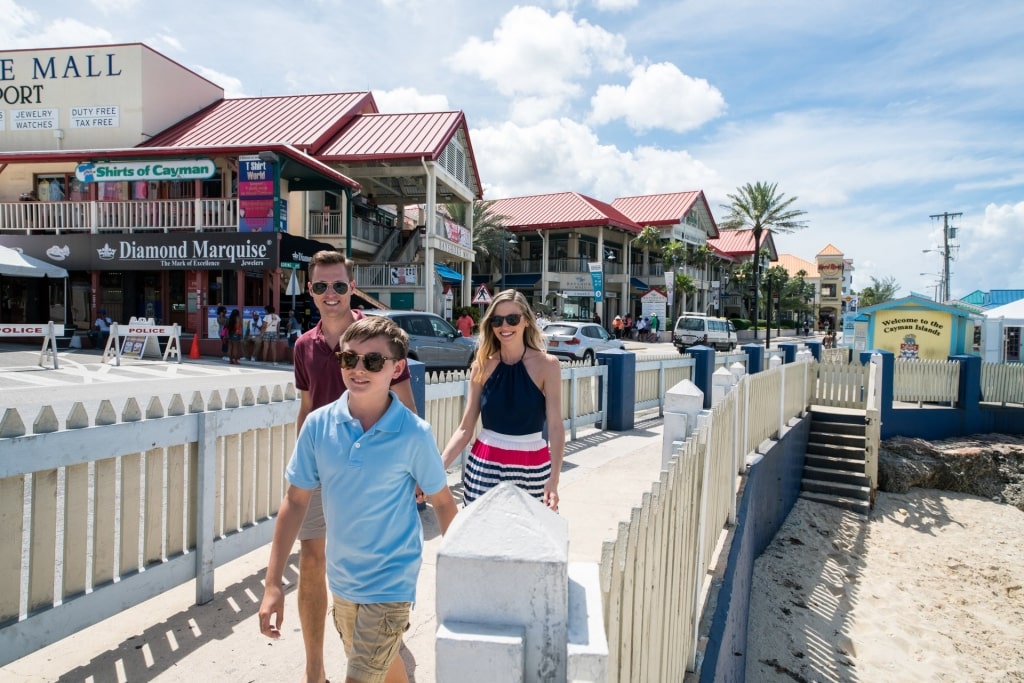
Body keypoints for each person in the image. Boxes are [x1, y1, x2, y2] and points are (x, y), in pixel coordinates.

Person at [259, 316, 458, 683]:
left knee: (360, 677)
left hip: (391, 583)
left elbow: (443, 503)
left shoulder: (414, 434)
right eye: (350, 359)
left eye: (373, 361)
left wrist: (465, 571)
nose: (359, 369)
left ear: (397, 367)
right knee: (384, 670)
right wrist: (273, 583)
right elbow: (296, 501)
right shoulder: (318, 425)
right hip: (344, 581)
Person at [291, 250, 420, 683]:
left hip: (372, 470)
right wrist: (300, 469)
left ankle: (379, 640)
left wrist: (413, 469)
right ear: (310, 291)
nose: (331, 294)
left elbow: (404, 402)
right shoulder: (304, 345)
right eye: (321, 286)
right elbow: (307, 407)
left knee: (372, 560)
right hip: (323, 467)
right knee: (312, 560)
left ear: (352, 288)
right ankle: (314, 668)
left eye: (339, 286)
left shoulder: (376, 337)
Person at [440, 289, 565, 509]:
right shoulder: (481, 365)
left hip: (532, 466)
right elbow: (465, 428)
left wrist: (554, 480)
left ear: (526, 321)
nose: (504, 326)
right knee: (482, 537)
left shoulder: (548, 365)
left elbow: (555, 426)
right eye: (497, 320)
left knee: (532, 539)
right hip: (485, 464)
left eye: (512, 319)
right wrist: (438, 469)